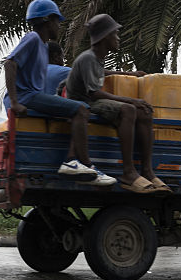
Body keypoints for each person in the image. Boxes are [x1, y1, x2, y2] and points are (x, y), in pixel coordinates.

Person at [3, 0, 115, 186]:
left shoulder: (42, 46)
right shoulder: (32, 38)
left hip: (32, 96)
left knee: (73, 111)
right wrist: (15, 101)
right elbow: (9, 64)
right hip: (26, 97)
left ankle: (72, 160)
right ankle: (82, 163)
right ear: (47, 20)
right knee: (81, 109)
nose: (59, 26)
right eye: (57, 22)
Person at [65, 14, 169, 193]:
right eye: (115, 34)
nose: (118, 38)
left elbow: (101, 71)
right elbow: (94, 93)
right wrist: (131, 100)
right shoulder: (88, 58)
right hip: (84, 103)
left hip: (90, 101)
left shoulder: (96, 58)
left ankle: (147, 170)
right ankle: (128, 172)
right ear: (105, 37)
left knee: (144, 112)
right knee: (129, 109)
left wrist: (129, 74)